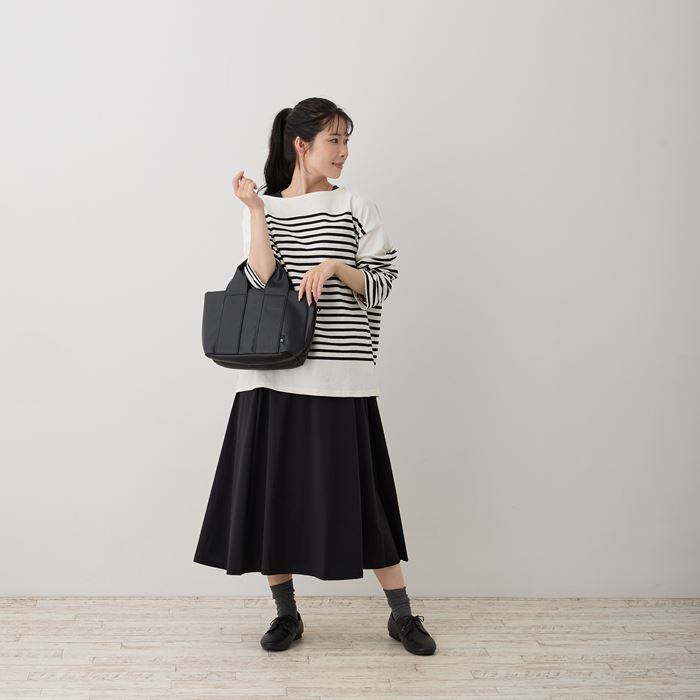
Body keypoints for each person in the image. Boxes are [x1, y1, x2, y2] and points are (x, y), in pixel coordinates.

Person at [193, 97, 436, 656]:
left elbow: (383, 282)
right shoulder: (266, 208)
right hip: (272, 378)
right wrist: (255, 210)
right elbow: (260, 281)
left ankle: (401, 616)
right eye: (335, 140)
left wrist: (334, 268)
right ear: (301, 145)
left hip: (341, 376)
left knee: (364, 502)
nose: (344, 151)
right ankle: (286, 614)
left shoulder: (356, 205)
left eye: (348, 140)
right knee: (272, 500)